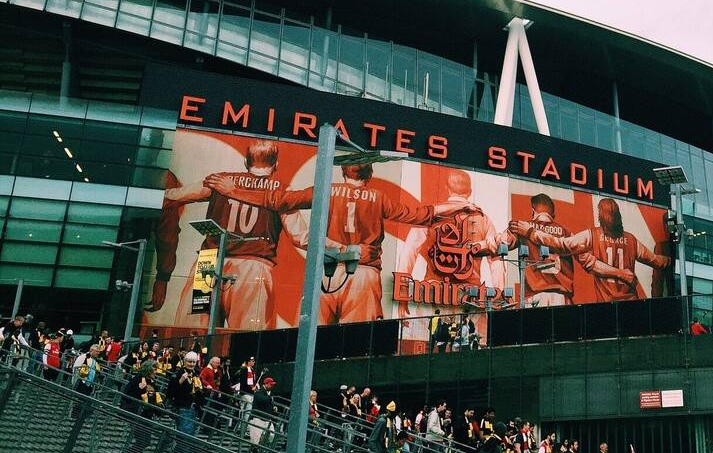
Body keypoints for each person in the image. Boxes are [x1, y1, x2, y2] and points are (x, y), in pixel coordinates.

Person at [203, 163, 476, 323]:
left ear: (343, 173)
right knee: (353, 347)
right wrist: (456, 207)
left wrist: (233, 191)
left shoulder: (326, 190)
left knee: (309, 340)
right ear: (368, 177)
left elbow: (278, 201)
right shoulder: (378, 197)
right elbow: (420, 215)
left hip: (324, 272)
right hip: (363, 274)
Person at [156, 140, 313, 330]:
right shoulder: (280, 191)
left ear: (246, 163)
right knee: (247, 335)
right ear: (276, 165)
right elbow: (300, 237)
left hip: (208, 261)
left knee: (193, 329)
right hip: (253, 265)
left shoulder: (219, 180)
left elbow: (173, 196)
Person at [511, 197, 671, 302]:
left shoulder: (591, 235)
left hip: (604, 304)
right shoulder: (632, 240)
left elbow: (563, 245)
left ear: (600, 216)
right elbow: (658, 262)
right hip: (631, 301)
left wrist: (531, 232)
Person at [473, 193, 579, 307]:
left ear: (533, 211)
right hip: (562, 297)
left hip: (535, 295)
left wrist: (474, 247)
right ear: (553, 215)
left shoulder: (522, 227)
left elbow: (498, 244)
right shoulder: (567, 233)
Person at [162, 351, 202, 453]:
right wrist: (180, 381)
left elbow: (198, 393)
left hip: (192, 410)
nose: (191, 364)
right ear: (184, 362)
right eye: (189, 361)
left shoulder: (196, 374)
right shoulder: (178, 373)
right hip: (182, 409)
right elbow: (170, 392)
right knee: (186, 442)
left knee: (185, 442)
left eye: (194, 362)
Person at [120, 364, 159, 453]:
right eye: (154, 369)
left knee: (145, 441)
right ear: (148, 370)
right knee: (142, 440)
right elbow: (126, 395)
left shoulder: (152, 382)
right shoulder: (137, 379)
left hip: (147, 415)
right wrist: (139, 389)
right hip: (137, 414)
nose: (156, 371)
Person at [70, 344, 103, 419]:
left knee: (84, 399)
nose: (98, 353)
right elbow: (76, 368)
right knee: (80, 399)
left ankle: (81, 414)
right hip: (82, 381)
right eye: (97, 351)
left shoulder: (94, 360)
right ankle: (75, 414)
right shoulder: (82, 357)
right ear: (92, 350)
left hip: (89, 383)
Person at [247, 377, 278, 453]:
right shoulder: (259, 392)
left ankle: (258, 450)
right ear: (266, 384)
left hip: (266, 418)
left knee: (271, 436)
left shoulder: (268, 393)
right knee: (255, 440)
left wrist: (273, 408)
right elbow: (262, 400)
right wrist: (270, 398)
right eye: (270, 384)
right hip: (257, 418)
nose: (272, 386)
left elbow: (267, 403)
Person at [230, 357, 257, 430]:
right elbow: (243, 381)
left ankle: (240, 428)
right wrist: (250, 388)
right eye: (252, 361)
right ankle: (241, 428)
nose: (253, 362)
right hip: (245, 393)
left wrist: (254, 387)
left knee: (246, 412)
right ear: (248, 362)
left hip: (250, 393)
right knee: (245, 412)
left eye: (254, 361)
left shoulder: (252, 371)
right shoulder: (244, 369)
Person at [198, 356, 224, 430]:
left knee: (214, 410)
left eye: (219, 363)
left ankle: (212, 426)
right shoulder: (206, 369)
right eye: (217, 363)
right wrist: (207, 385)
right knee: (208, 409)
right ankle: (205, 427)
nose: (218, 364)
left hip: (215, 393)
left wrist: (218, 391)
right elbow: (202, 378)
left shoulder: (218, 371)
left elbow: (218, 383)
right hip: (208, 393)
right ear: (212, 362)